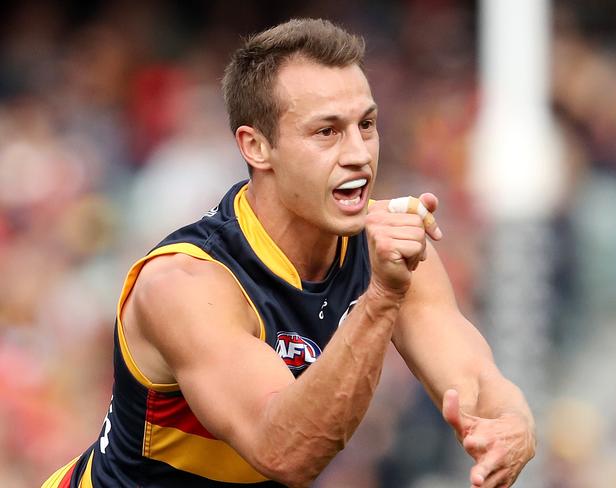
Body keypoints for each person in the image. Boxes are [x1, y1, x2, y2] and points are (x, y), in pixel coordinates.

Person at [43, 18, 535, 488]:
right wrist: (382, 297)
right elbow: (285, 453)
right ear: (256, 147)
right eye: (327, 131)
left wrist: (513, 428)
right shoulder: (185, 284)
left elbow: (480, 384)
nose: (359, 153)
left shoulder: (385, 250)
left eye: (366, 124)